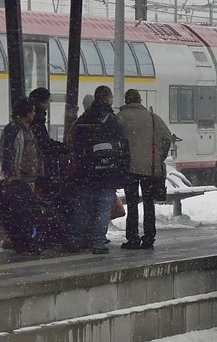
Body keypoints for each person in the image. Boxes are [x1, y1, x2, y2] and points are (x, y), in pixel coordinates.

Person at [68, 85, 130, 254]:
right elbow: (122, 145)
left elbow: (75, 144)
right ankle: (98, 243)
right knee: (103, 208)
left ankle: (75, 240)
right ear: (108, 98)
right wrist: (121, 170)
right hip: (107, 172)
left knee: (83, 207)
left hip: (86, 172)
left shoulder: (83, 119)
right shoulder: (111, 119)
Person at [116, 89, 173, 250]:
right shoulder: (152, 117)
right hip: (150, 167)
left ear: (126, 100)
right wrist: (159, 156)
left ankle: (132, 238)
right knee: (149, 203)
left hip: (129, 168)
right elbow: (166, 137)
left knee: (132, 203)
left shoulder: (120, 118)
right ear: (140, 100)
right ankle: (149, 237)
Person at [1, 98, 42, 186]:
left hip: (27, 173)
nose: (34, 114)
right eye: (33, 111)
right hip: (20, 174)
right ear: (27, 113)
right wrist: (12, 173)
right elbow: (9, 151)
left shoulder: (27, 128)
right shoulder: (14, 129)